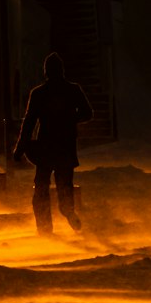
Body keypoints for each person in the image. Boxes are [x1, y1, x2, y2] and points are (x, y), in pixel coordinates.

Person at [13, 52, 92, 234]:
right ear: (61, 71)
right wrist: (71, 118)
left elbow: (29, 122)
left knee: (41, 187)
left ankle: (45, 228)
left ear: (46, 72)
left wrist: (20, 148)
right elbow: (88, 113)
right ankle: (68, 213)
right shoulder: (73, 90)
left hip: (46, 147)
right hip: (64, 145)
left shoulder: (39, 93)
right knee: (64, 185)